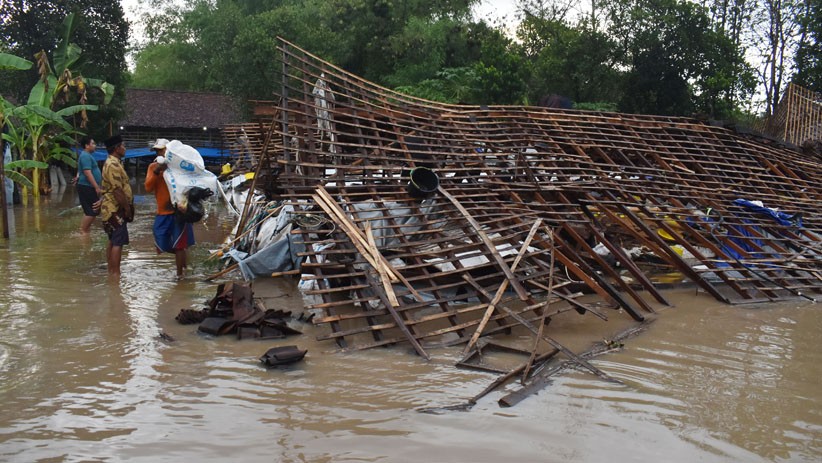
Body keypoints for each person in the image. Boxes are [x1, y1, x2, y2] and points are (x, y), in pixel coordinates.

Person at [144, 138, 195, 279]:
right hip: (163, 211)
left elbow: (190, 184)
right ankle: (183, 262)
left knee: (179, 244)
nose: (160, 152)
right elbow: (148, 187)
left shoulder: (179, 166)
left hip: (179, 211)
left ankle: (180, 275)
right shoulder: (153, 167)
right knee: (161, 240)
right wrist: (158, 172)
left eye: (162, 150)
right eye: (157, 150)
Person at [100, 134, 133, 276]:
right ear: (117, 148)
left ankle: (111, 271)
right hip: (114, 208)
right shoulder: (113, 165)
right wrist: (127, 209)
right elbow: (117, 190)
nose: (125, 148)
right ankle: (115, 274)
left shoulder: (113, 162)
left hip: (110, 208)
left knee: (113, 240)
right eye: (123, 146)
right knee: (117, 242)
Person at [73, 136, 103, 233]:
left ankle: (85, 230)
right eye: (93, 143)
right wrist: (96, 187)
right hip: (87, 186)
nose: (95, 146)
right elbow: (87, 172)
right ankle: (83, 231)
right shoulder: (85, 155)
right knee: (92, 210)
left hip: (87, 186)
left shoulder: (86, 155)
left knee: (93, 210)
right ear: (87, 145)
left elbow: (81, 170)